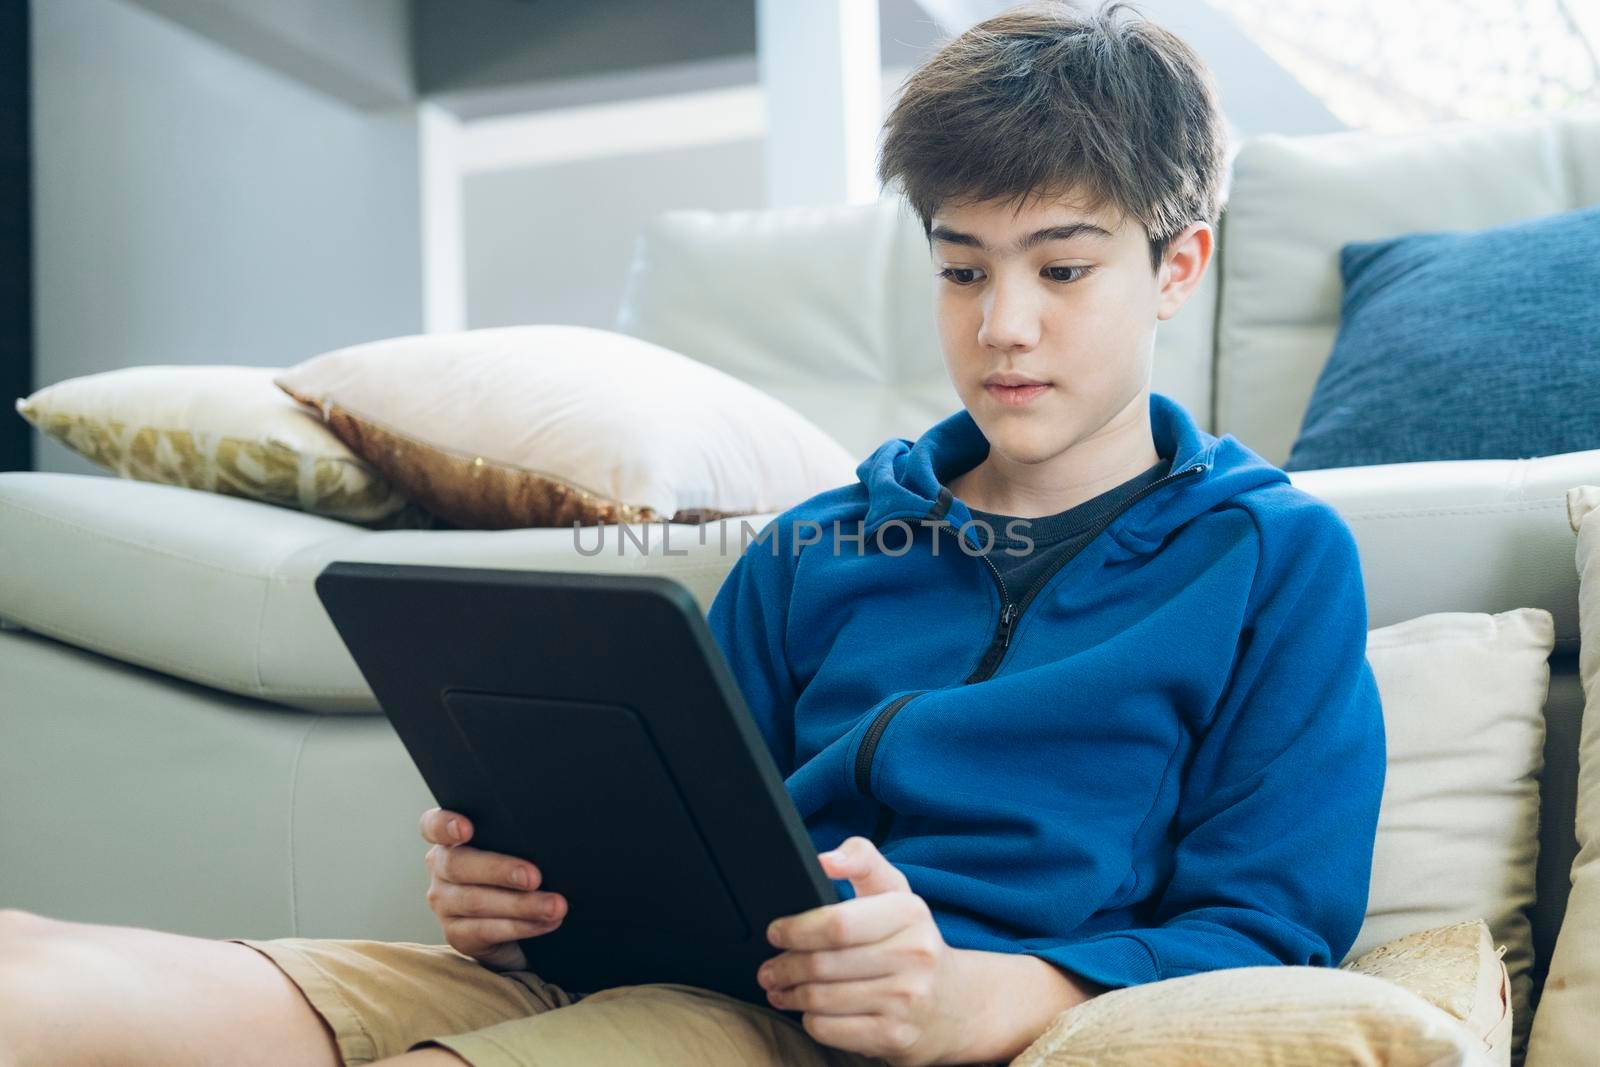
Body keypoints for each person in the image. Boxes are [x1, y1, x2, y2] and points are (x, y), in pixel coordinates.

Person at [0, 3, 1385, 1066]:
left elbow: (1267, 930)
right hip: (617, 976)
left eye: (1063, 270)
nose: (1001, 324)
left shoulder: (1267, 559)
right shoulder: (822, 544)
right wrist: (521, 888)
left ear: (1177, 267)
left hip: (815, 1026)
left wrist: (967, 997)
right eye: (962, 269)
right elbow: (690, 813)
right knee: (33, 981)